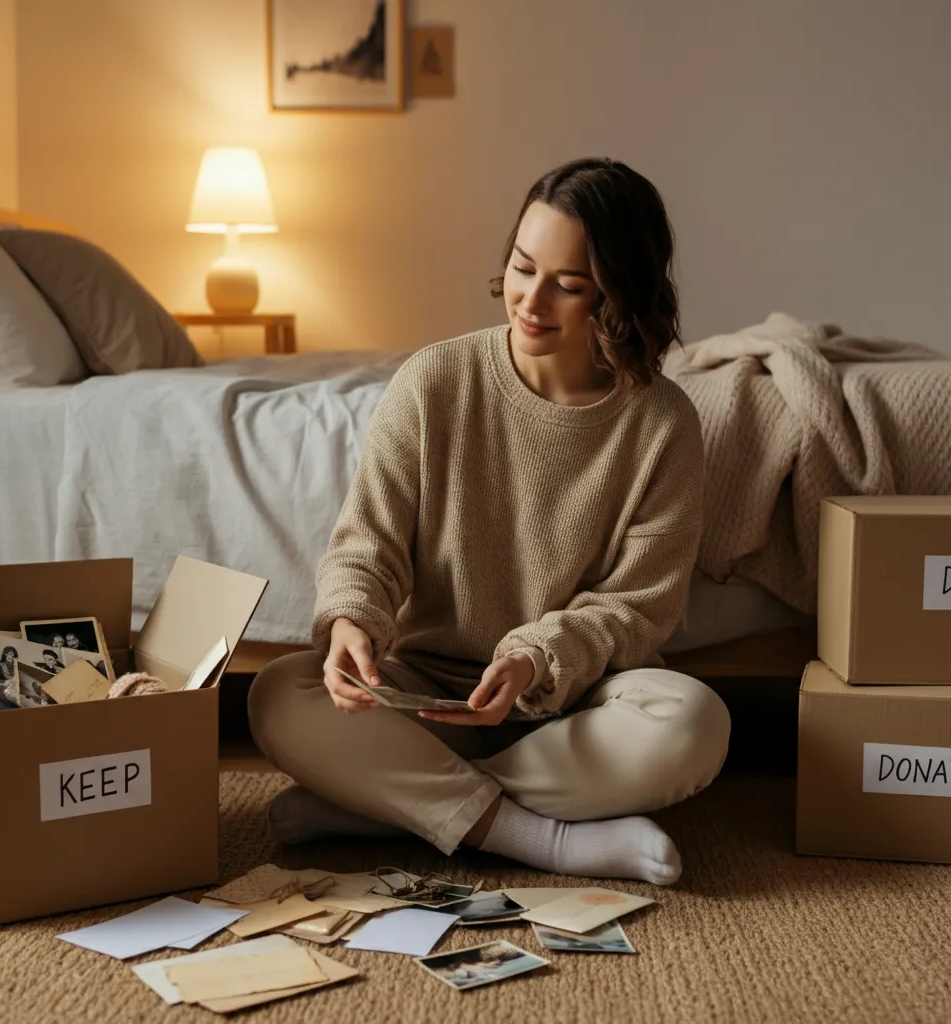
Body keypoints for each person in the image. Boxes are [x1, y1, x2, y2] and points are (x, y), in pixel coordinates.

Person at [248, 157, 731, 885]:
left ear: (618, 294)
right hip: (426, 691)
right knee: (279, 695)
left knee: (694, 725)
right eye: (521, 267)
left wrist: (537, 655)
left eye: (569, 285)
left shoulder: (663, 423)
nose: (532, 300)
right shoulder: (435, 380)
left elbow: (639, 609)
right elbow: (367, 545)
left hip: (567, 702)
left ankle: (393, 805)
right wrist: (353, 620)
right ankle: (540, 838)